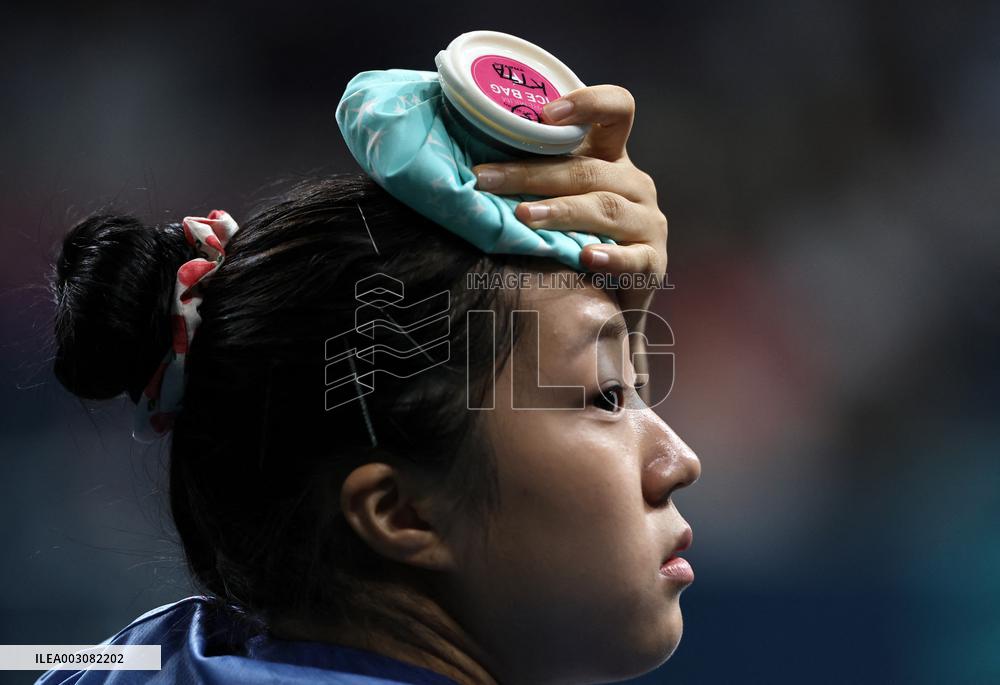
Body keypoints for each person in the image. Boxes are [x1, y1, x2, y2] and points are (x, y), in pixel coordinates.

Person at [42, 86, 701, 685]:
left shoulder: (133, 658)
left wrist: (598, 316)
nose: (680, 462)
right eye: (607, 397)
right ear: (400, 510)